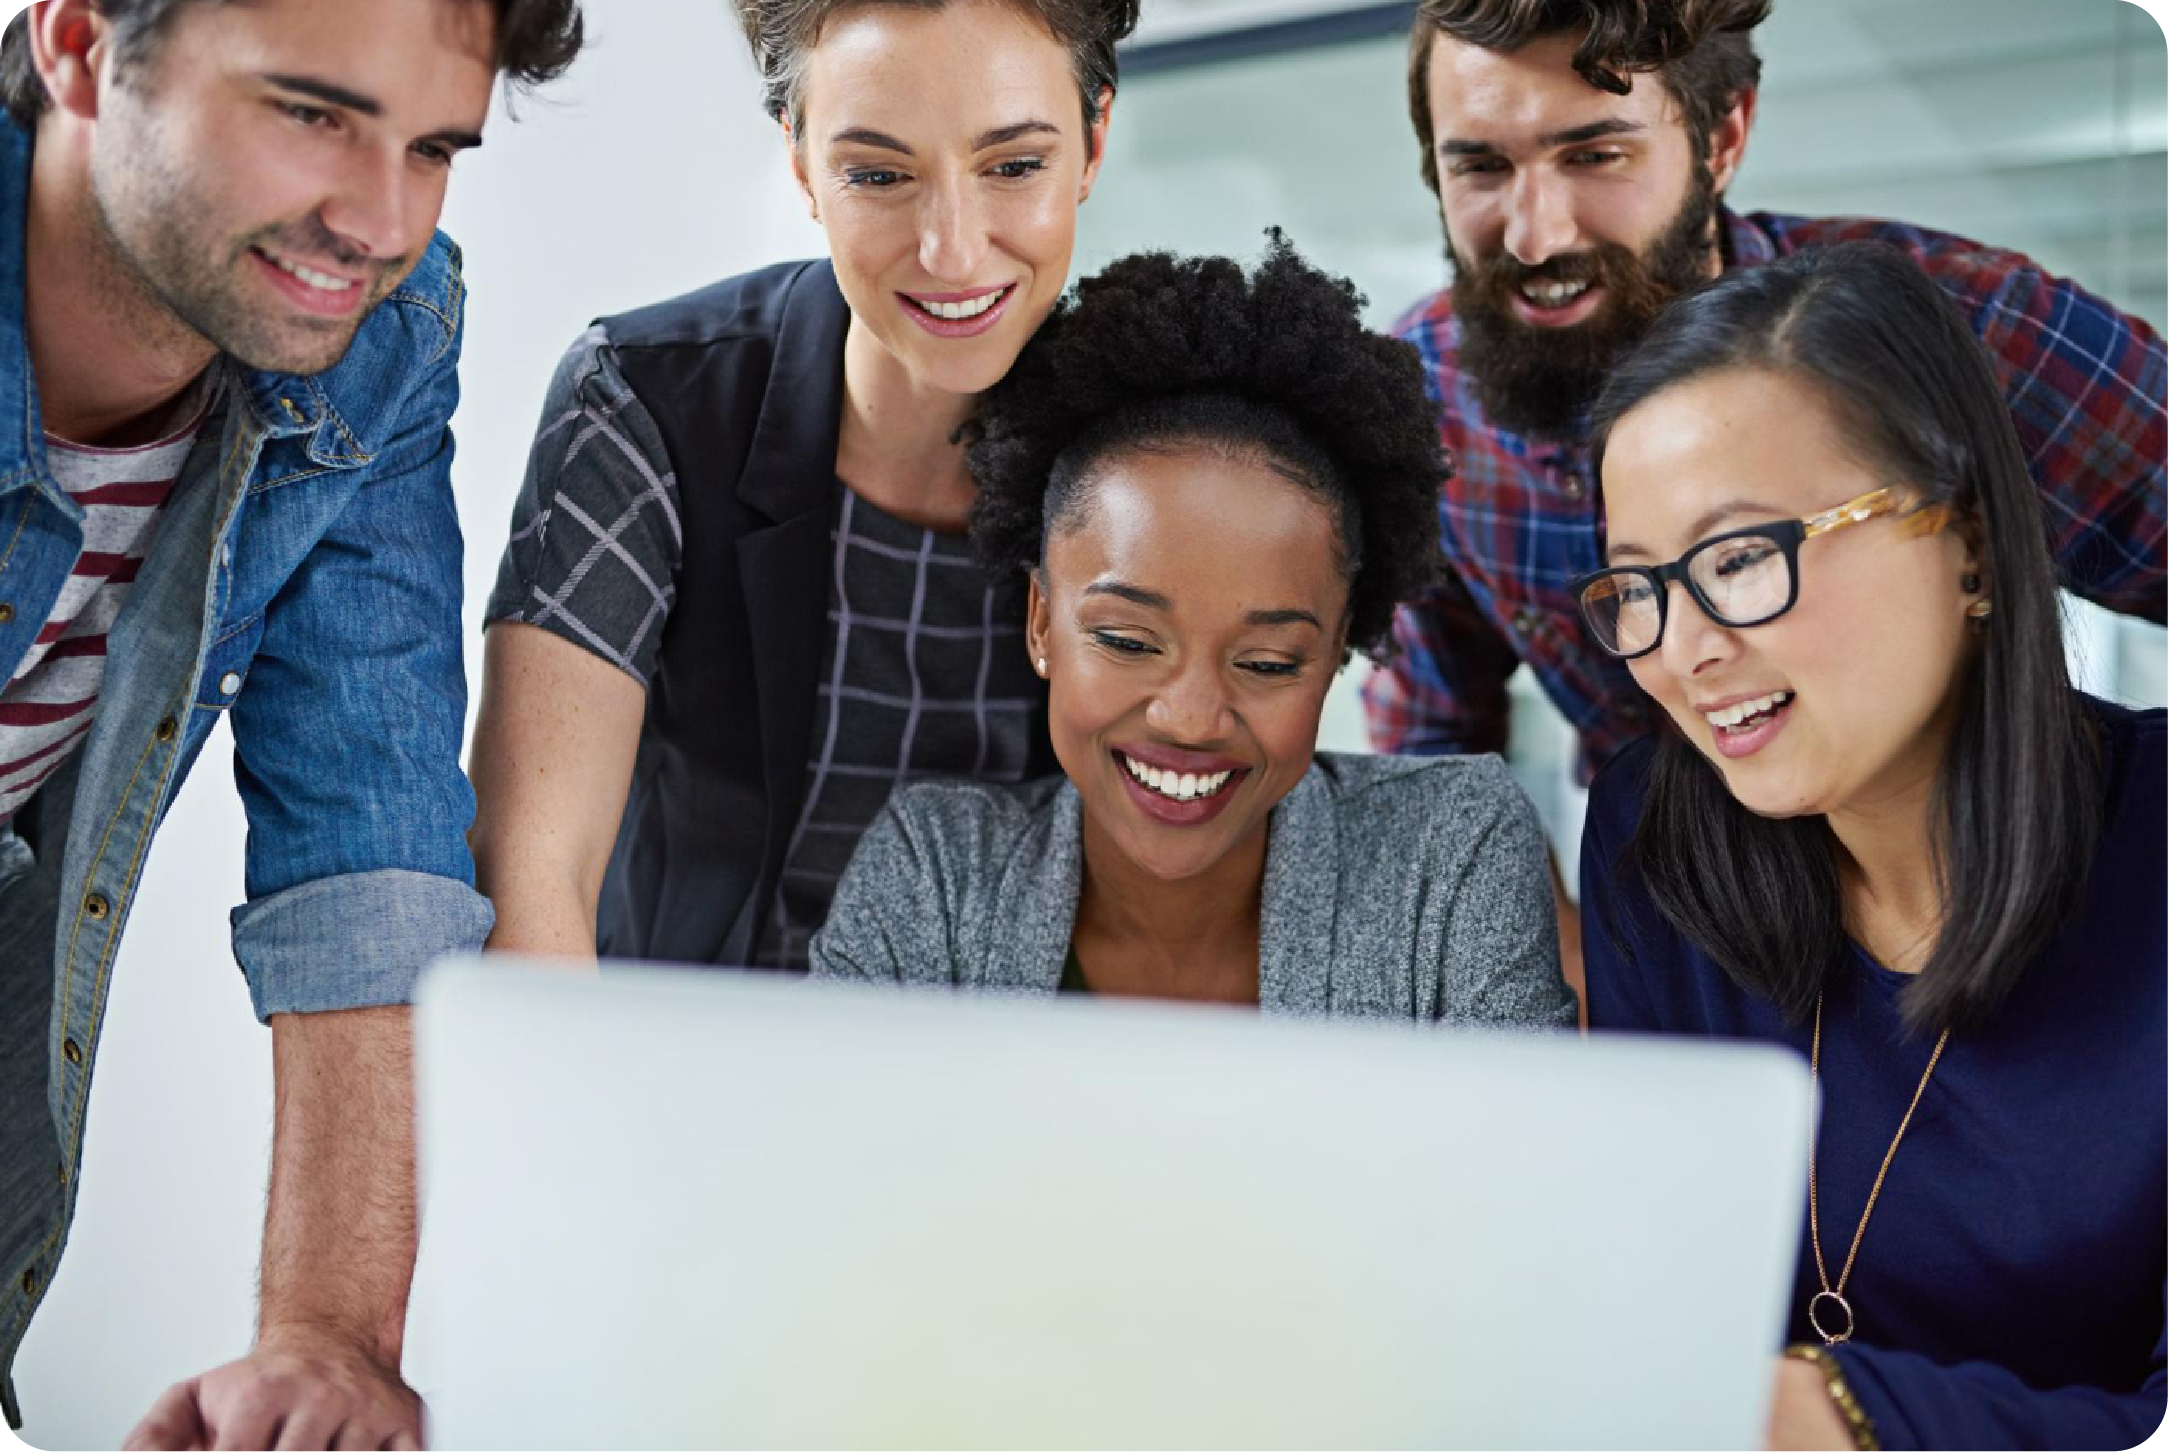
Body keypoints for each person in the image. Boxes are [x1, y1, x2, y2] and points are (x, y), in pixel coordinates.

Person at [0, 0, 583, 1446]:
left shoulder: (378, 348)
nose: (378, 225)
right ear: (78, 45)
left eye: (436, 145)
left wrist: (326, 1343)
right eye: (312, 115)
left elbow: (366, 840)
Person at [1364, 0, 2168, 983]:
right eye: (1480, 166)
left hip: (2031, 920)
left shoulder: (1959, 334)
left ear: (1724, 133)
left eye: (1594, 155)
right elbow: (1437, 747)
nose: (1534, 236)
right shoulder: (1421, 403)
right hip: (1693, 949)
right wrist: (1558, 972)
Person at [1576, 242, 2168, 1452]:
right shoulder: (1653, 837)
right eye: (1636, 588)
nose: (1682, 650)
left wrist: (1835, 1416)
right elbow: (1650, 1310)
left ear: (1965, 544)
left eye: (1739, 559)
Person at [471, 0, 1139, 971]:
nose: (951, 250)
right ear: (800, 165)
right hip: (684, 1073)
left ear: (1091, 145)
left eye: (1012, 166)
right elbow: (535, 861)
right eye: (876, 173)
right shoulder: (643, 401)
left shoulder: (1153, 446)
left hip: (1011, 1092)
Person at [810, 240, 1575, 1031]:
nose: (1191, 719)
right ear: (1042, 622)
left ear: (1338, 649)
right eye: (1130, 642)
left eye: (1267, 662)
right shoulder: (936, 872)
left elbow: (1516, 1152)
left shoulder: (1447, 859)